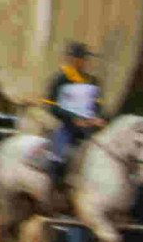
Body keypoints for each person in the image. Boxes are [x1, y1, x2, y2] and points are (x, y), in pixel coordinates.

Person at [39, 43, 104, 190]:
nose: (81, 62)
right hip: (66, 126)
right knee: (59, 156)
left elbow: (97, 105)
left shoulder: (93, 81)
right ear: (71, 59)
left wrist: (98, 117)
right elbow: (51, 106)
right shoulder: (59, 80)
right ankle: (55, 190)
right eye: (78, 58)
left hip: (89, 127)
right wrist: (73, 118)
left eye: (83, 59)